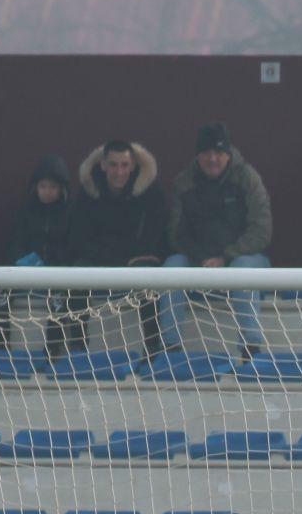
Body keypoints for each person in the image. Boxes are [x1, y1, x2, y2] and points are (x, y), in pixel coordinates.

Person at [160, 122, 272, 358]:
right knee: (171, 267)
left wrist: (226, 257)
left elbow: (261, 231)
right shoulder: (184, 182)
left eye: (219, 153)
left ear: (228, 154)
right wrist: (201, 258)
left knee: (244, 270)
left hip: (242, 258)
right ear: (198, 156)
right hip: (198, 259)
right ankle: (170, 348)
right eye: (207, 153)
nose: (213, 159)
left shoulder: (248, 179)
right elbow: (176, 233)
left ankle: (250, 349)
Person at [69, 140, 169, 357]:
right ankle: (77, 348)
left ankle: (152, 347)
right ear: (103, 165)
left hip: (136, 260)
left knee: (149, 277)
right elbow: (80, 236)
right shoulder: (89, 190)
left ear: (133, 165)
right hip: (99, 259)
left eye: (124, 165)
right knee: (77, 274)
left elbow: (154, 234)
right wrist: (109, 256)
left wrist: (131, 257)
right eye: (113, 165)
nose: (119, 171)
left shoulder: (151, 192)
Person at [0, 155, 81, 355]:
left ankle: (53, 348)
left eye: (53, 187)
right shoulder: (26, 211)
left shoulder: (71, 212)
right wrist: (25, 261)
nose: (47, 192)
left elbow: (75, 246)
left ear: (62, 189)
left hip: (57, 272)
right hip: (27, 269)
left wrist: (54, 262)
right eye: (43, 186)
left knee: (59, 296)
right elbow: (15, 243)